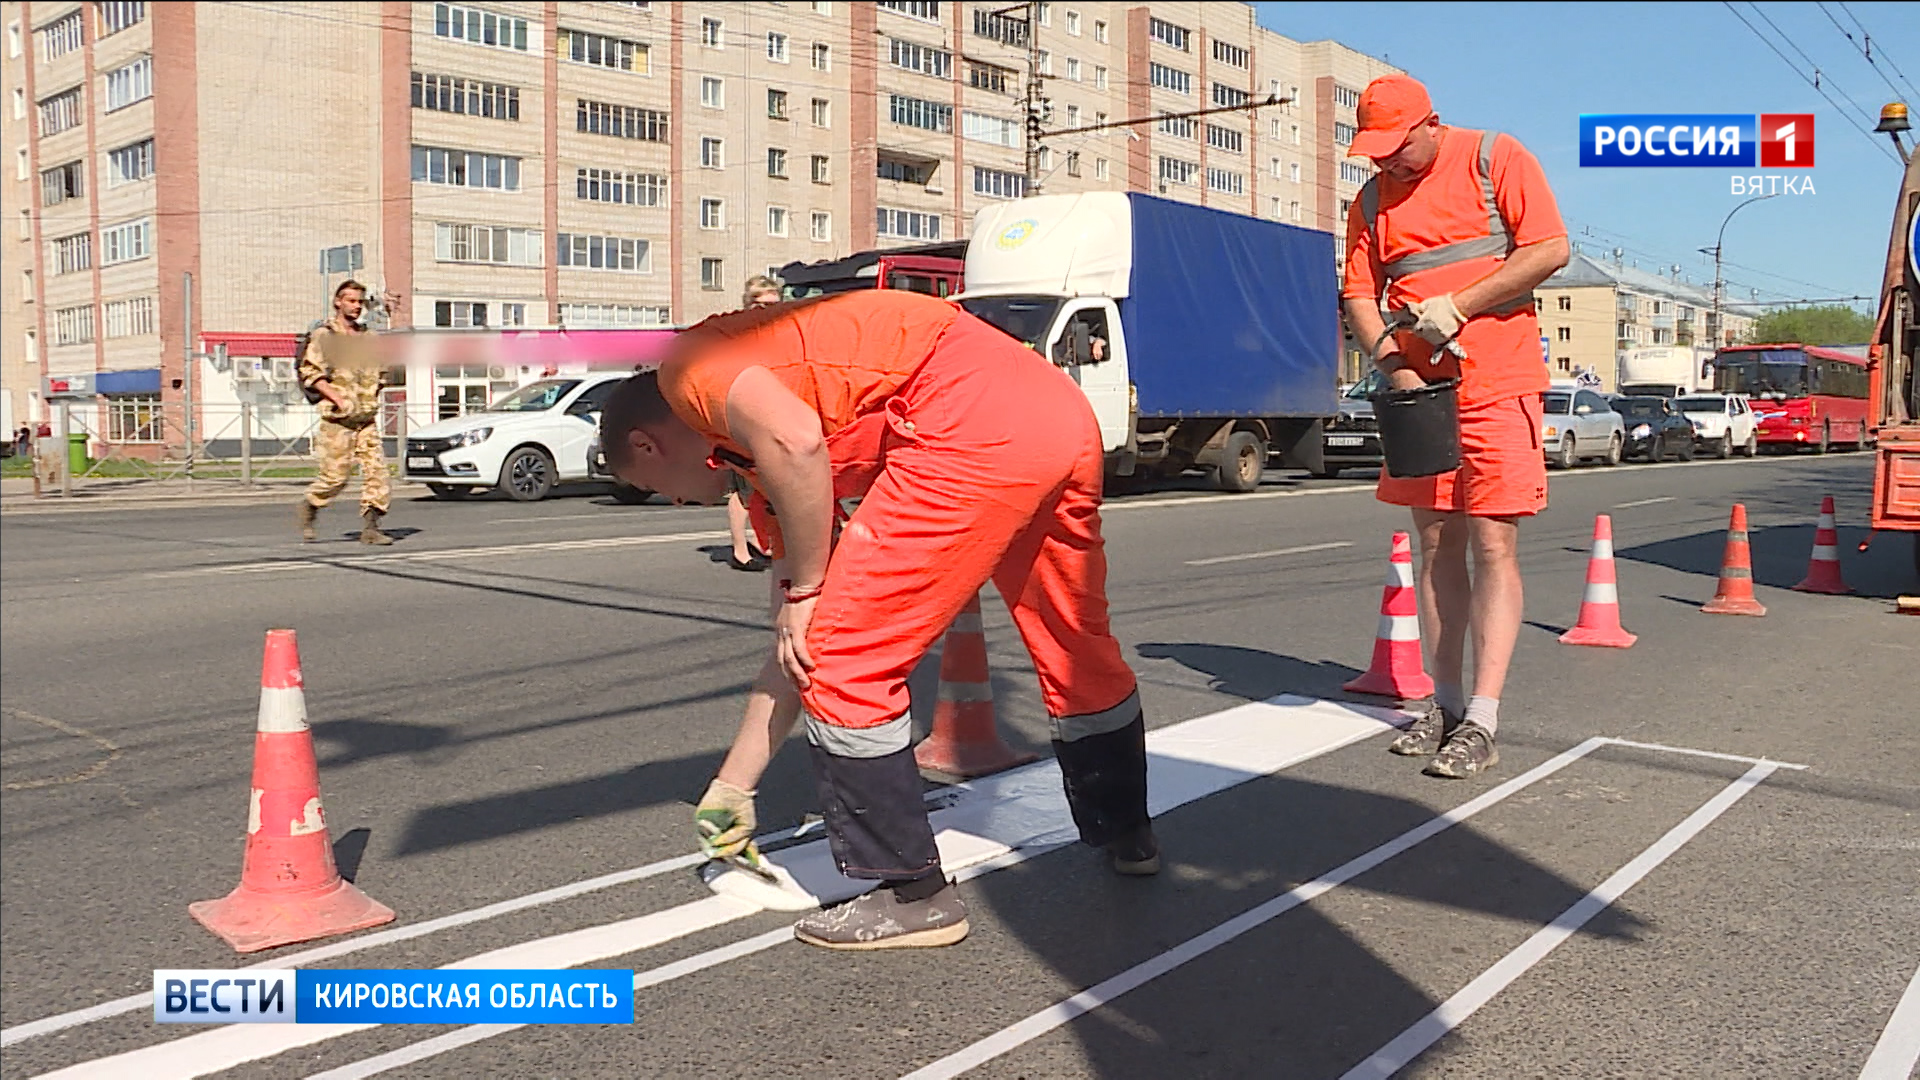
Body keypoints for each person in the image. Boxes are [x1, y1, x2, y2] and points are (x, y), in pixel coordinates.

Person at [600, 290, 1155, 951]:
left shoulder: (689, 368)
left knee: (846, 659)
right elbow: (792, 644)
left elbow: (799, 443)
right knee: (1073, 643)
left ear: (648, 444)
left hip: (966, 415)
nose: (675, 501)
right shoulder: (762, 462)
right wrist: (734, 784)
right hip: (1052, 407)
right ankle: (1128, 830)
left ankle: (912, 896)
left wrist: (810, 589)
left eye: (655, 487)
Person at [1339, 74, 1570, 779]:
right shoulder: (1373, 199)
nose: (1385, 162)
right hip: (1419, 394)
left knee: (1493, 547)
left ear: (1430, 124)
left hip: (1497, 388)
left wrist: (1462, 305)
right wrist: (1391, 363)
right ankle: (1442, 705)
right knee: (1436, 546)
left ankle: (1483, 718)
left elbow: (1549, 249)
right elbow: (1357, 291)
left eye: (1396, 147)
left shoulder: (1493, 158)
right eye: (1374, 151)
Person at [297, 280, 394, 545]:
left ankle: (371, 528)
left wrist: (373, 396)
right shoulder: (325, 335)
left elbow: (382, 372)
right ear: (338, 302)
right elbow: (311, 373)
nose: (356, 307)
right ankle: (310, 507)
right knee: (335, 478)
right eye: (351, 301)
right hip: (338, 421)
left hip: (366, 420)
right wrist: (338, 398)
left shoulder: (369, 338)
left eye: (360, 302)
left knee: (378, 474)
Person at [723, 276, 786, 571]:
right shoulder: (739, 334)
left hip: (770, 413)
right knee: (744, 489)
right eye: (761, 305)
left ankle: (763, 543)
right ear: (748, 305)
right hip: (742, 417)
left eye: (773, 305)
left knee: (767, 485)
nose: (767, 310)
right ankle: (740, 551)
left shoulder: (774, 332)